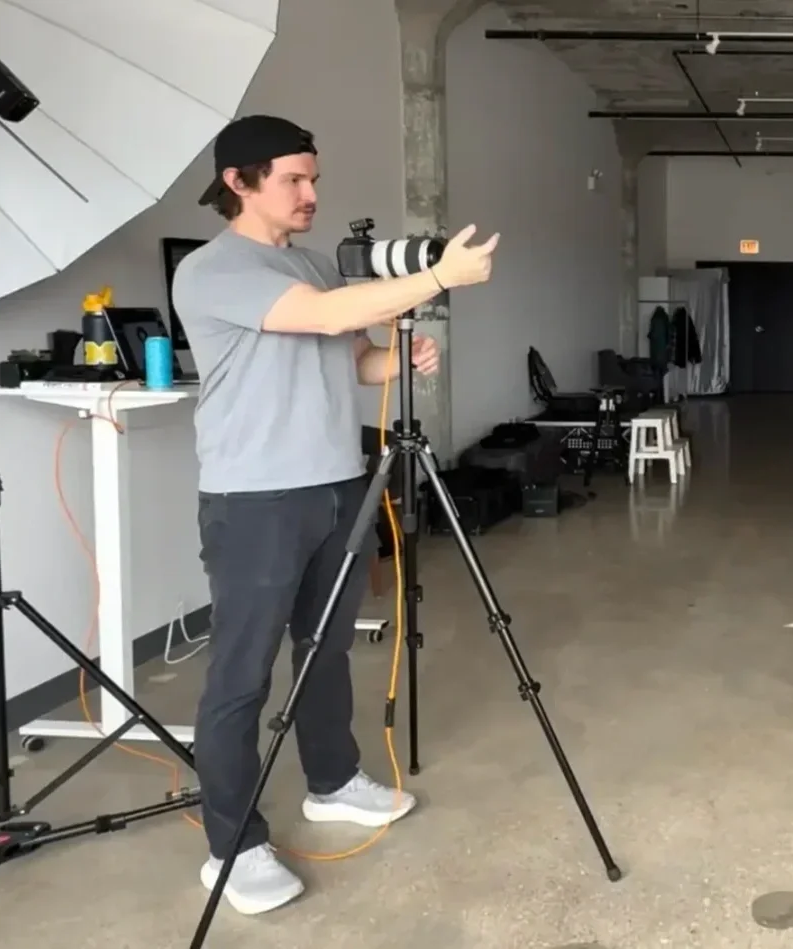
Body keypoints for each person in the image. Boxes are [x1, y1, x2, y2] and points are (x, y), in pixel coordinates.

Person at [170, 114, 500, 916]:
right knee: (240, 677)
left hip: (336, 484)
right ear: (240, 182)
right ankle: (233, 846)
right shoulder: (214, 270)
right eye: (293, 179)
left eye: (313, 177)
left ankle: (331, 780)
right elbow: (318, 319)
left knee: (325, 648)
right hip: (254, 498)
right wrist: (440, 278)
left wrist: (402, 355)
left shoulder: (315, 263)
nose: (311, 192)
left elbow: (350, 358)